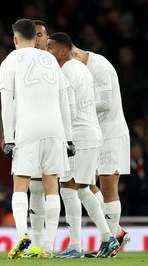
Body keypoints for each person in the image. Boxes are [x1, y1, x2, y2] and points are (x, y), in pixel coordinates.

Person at [0, 19, 73, 259]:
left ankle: (22, 235)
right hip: (55, 130)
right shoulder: (51, 59)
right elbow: (64, 100)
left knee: (21, 184)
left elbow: (7, 102)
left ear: (15, 39)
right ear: (36, 37)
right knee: (52, 187)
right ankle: (49, 245)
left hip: (27, 129)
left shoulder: (10, 60)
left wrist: (9, 138)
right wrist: (68, 137)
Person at [47, 32, 119, 258]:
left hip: (79, 135)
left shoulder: (67, 70)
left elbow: (70, 108)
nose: (47, 50)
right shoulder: (81, 68)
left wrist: (62, 134)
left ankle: (87, 243)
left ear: (61, 50)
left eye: (50, 46)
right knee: (76, 187)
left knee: (74, 187)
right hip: (89, 133)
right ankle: (102, 239)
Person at [71, 43, 131, 255]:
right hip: (93, 133)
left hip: (111, 134)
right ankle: (117, 234)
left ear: (75, 53)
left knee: (108, 188)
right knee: (83, 184)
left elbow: (105, 103)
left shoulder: (101, 66)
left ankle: (111, 247)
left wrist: (75, 107)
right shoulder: (79, 66)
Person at [21, 19, 50, 258]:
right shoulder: (21, 63)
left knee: (73, 188)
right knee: (36, 187)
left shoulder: (54, 63)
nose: (39, 39)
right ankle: (39, 244)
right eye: (36, 35)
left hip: (55, 132)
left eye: (42, 35)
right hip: (31, 131)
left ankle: (74, 243)